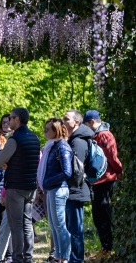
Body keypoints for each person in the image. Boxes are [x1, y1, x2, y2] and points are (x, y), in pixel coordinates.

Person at [0, 107, 40, 263]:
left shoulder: (14, 140)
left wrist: (8, 162)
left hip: (15, 188)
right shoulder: (35, 138)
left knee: (16, 225)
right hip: (31, 187)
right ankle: (28, 257)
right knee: (27, 223)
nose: (8, 121)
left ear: (17, 119)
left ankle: (17, 258)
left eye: (11, 118)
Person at [83, 109, 123, 258]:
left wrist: (120, 171)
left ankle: (108, 249)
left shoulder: (104, 135)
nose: (85, 128)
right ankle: (105, 248)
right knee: (98, 215)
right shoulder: (95, 135)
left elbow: (112, 157)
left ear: (92, 122)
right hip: (97, 181)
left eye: (86, 124)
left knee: (103, 214)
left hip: (106, 180)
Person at [38, 118, 72, 263]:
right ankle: (59, 256)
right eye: (44, 129)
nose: (44, 132)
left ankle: (64, 258)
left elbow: (67, 172)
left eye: (47, 129)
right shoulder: (51, 146)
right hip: (51, 190)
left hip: (59, 189)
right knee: (53, 225)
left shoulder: (62, 146)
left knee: (59, 225)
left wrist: (46, 182)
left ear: (55, 130)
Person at [63, 109, 94, 263]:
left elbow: (76, 170)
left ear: (77, 122)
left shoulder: (79, 141)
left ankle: (76, 259)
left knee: (75, 229)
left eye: (66, 119)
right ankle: (73, 258)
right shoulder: (73, 139)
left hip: (76, 190)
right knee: (71, 228)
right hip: (72, 190)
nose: (63, 122)